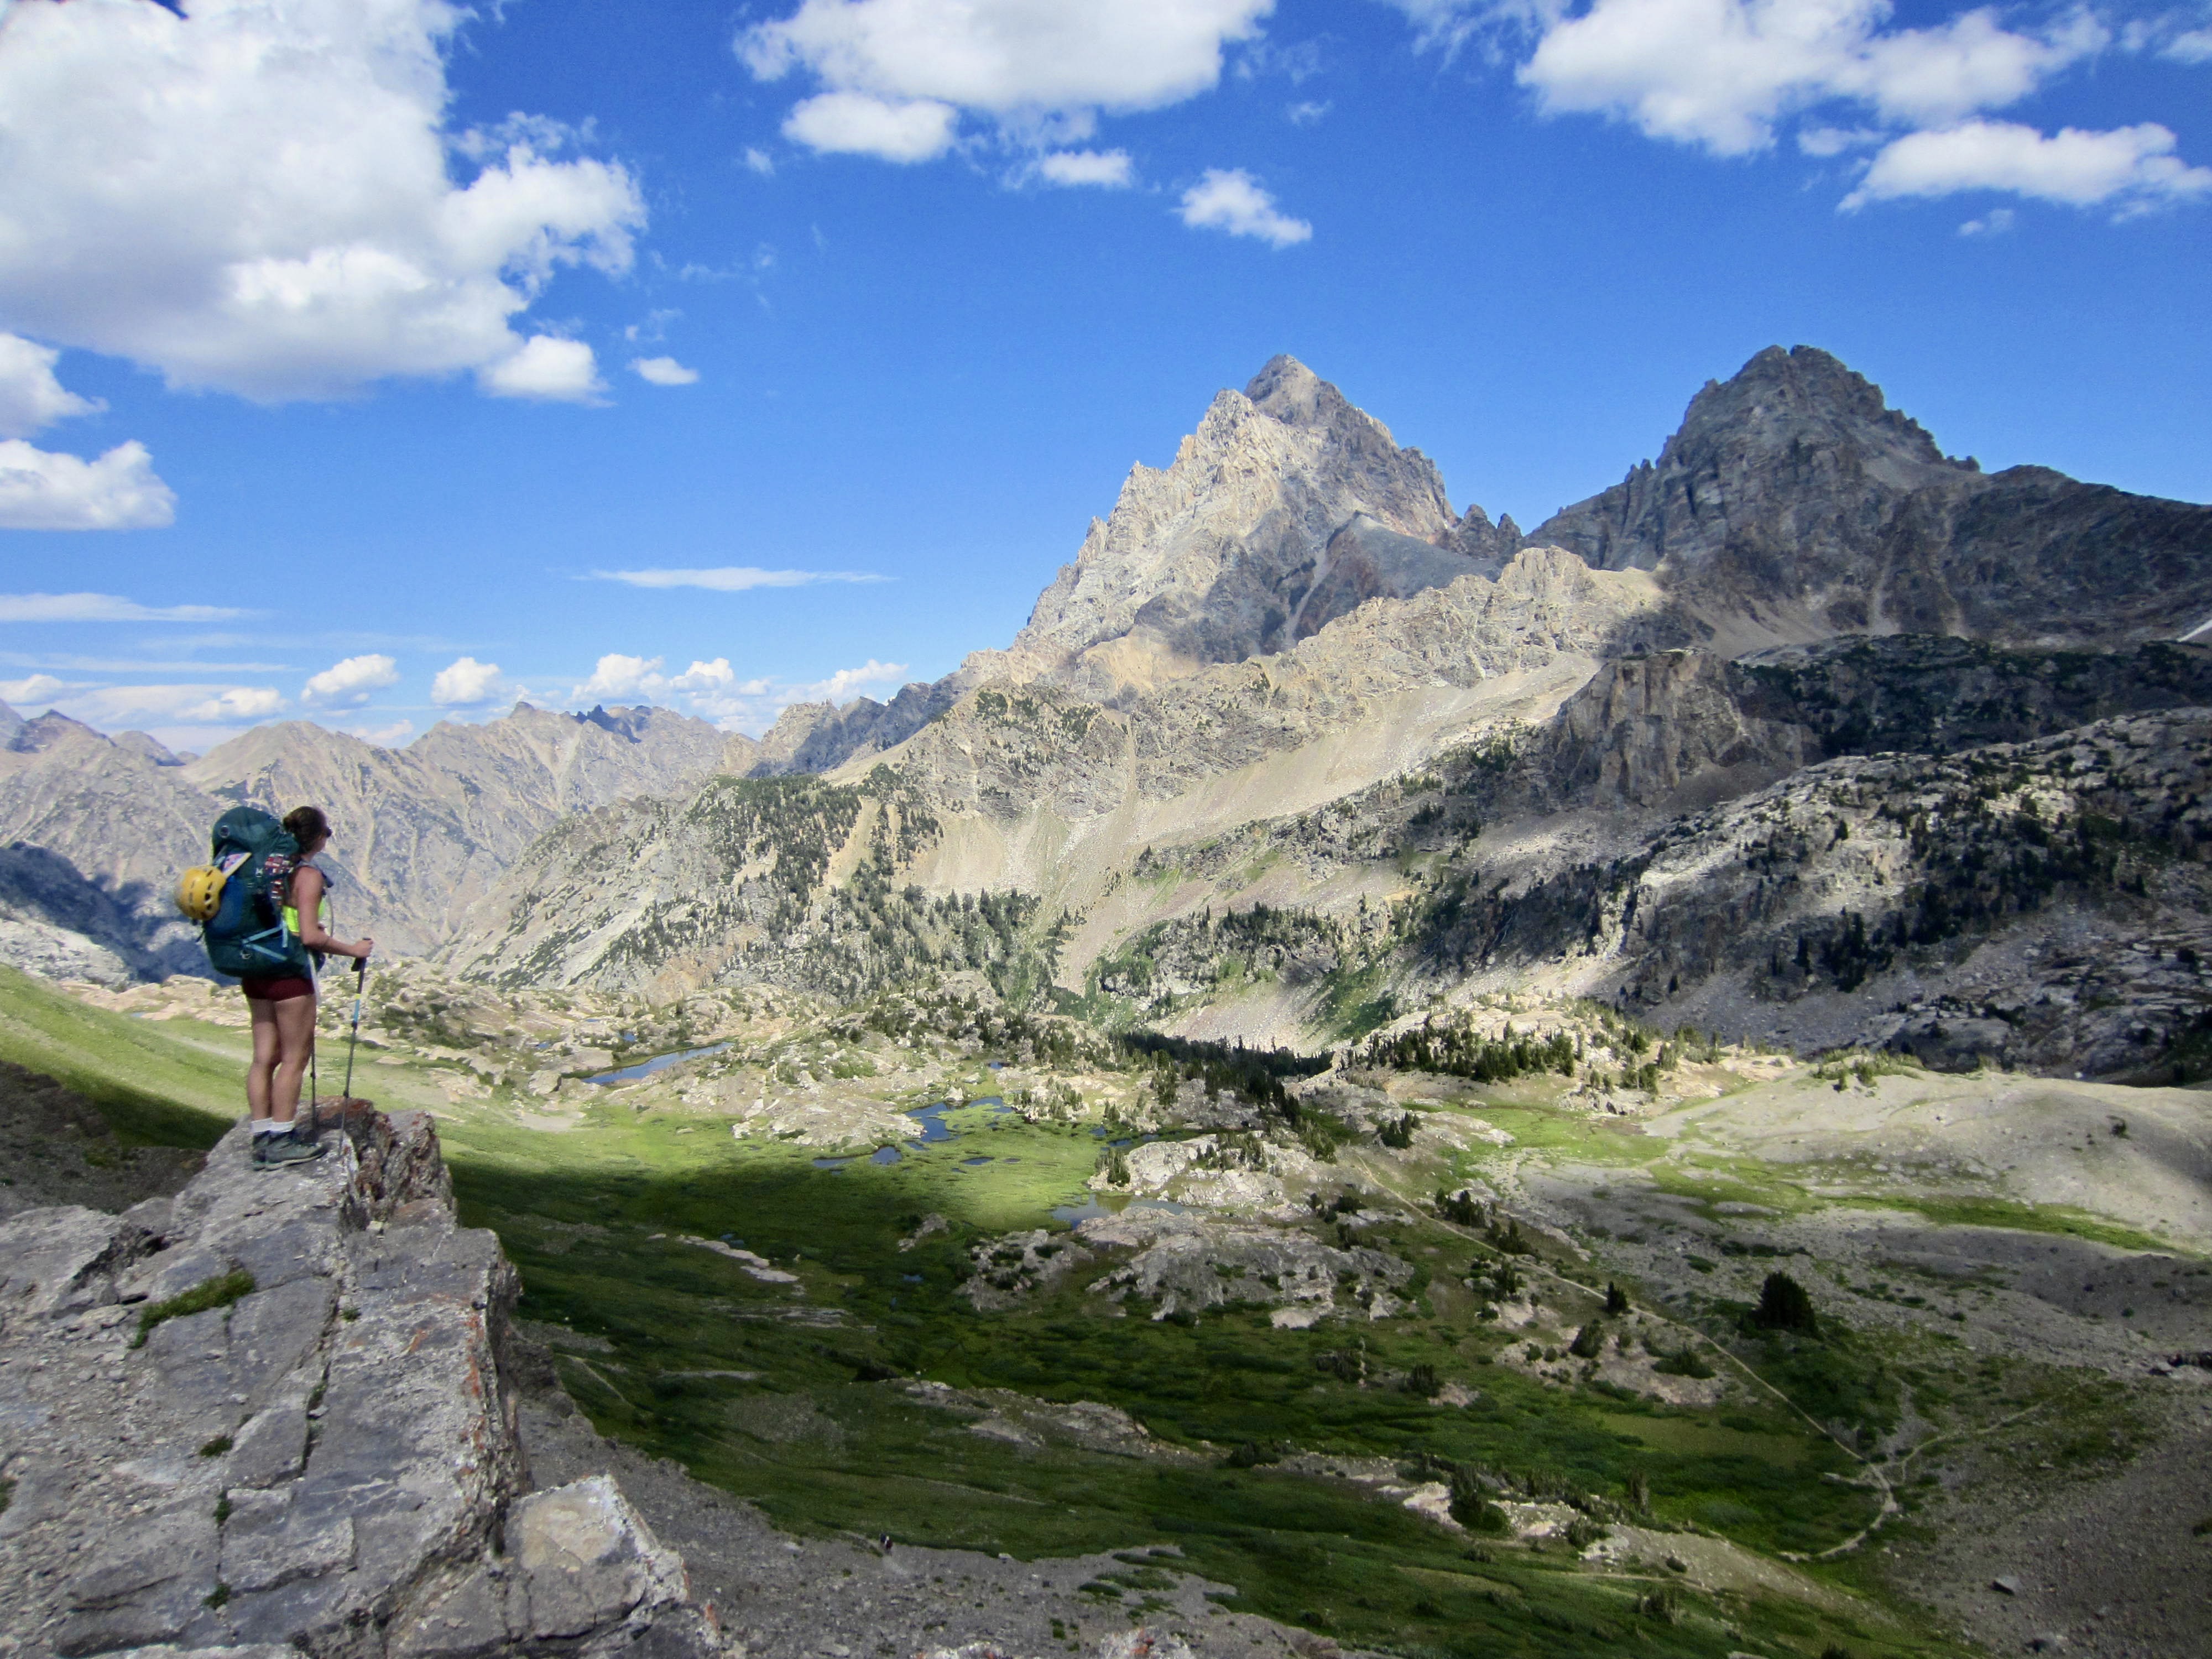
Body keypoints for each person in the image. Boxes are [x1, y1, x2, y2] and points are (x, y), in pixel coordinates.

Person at [242, 806, 372, 1168]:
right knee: (295, 1058)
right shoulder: (307, 875)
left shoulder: (267, 869)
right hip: (289, 975)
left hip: (255, 969)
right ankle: (283, 1139)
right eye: (327, 833)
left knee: (263, 1056)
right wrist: (353, 950)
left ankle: (261, 1134)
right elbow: (312, 936)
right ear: (316, 837)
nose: (327, 838)